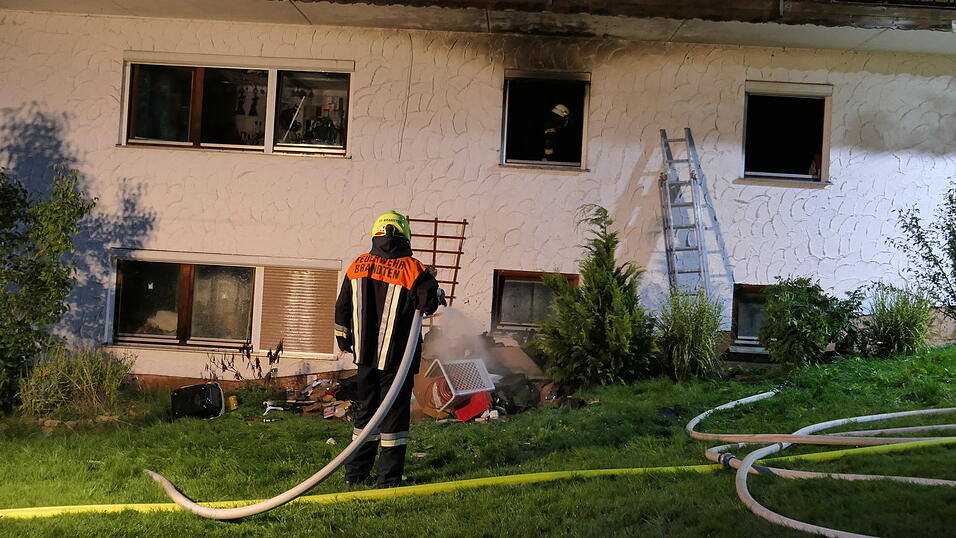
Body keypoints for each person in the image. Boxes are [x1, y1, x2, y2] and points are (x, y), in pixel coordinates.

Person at [334, 210, 443, 488]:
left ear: (377, 234)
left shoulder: (357, 265)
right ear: (404, 235)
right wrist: (436, 293)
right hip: (398, 360)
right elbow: (428, 304)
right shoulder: (414, 269)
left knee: (366, 413)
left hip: (366, 358)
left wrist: (344, 339)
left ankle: (355, 475)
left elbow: (342, 307)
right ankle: (389, 480)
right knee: (394, 416)